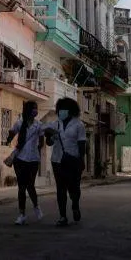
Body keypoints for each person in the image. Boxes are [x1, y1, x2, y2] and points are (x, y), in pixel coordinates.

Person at [46, 96, 86, 226]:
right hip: (57, 160)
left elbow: (81, 144)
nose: (61, 111)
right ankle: (62, 216)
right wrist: (51, 136)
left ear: (71, 110)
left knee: (74, 188)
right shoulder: (54, 124)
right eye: (60, 109)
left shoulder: (79, 125)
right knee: (60, 188)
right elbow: (49, 143)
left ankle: (75, 205)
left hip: (73, 159)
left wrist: (81, 160)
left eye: (64, 109)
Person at [3, 100, 45, 225]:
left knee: (30, 185)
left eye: (36, 109)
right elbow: (11, 133)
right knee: (21, 187)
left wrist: (35, 148)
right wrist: (9, 138)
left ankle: (36, 206)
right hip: (20, 159)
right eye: (33, 108)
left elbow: (41, 143)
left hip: (33, 159)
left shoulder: (39, 125)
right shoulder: (19, 123)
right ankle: (22, 214)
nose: (35, 111)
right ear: (28, 110)